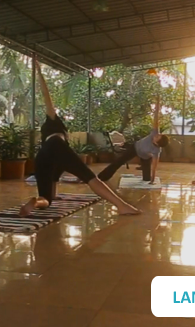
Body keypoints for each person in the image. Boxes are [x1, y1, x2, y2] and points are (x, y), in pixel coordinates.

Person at [20, 66, 140, 217]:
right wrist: (38, 72)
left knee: (46, 199)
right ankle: (122, 206)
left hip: (42, 155)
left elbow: (54, 180)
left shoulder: (48, 137)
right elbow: (47, 97)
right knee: (90, 177)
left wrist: (53, 195)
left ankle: (36, 202)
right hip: (55, 145)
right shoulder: (54, 121)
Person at [98, 95, 169, 184]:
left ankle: (147, 177)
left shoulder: (156, 151)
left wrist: (152, 179)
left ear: (157, 143)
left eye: (158, 137)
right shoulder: (154, 132)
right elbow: (156, 118)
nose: (157, 135)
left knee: (146, 179)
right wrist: (158, 104)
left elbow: (154, 166)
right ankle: (101, 177)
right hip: (134, 148)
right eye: (159, 134)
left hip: (145, 157)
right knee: (119, 161)